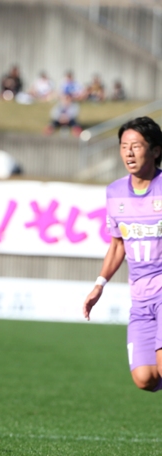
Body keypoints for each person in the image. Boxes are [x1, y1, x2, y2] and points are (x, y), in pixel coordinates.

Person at [83, 116, 162, 393]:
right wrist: (99, 284)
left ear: (155, 150)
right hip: (140, 299)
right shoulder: (115, 192)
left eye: (136, 146)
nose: (129, 152)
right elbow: (118, 244)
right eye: (124, 146)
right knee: (145, 378)